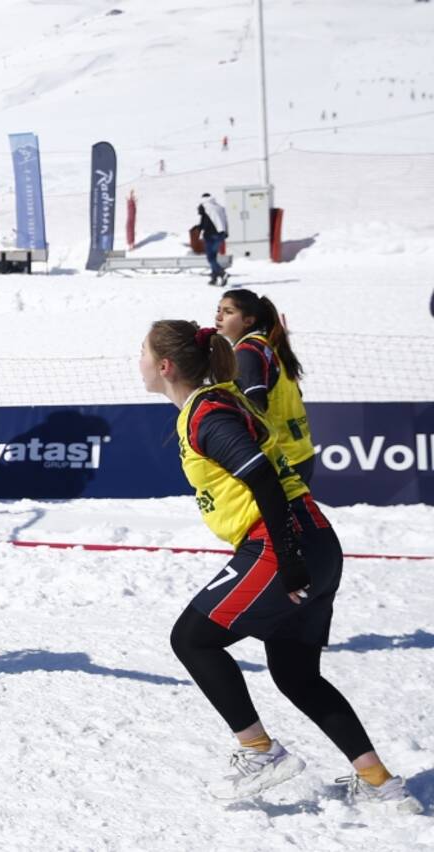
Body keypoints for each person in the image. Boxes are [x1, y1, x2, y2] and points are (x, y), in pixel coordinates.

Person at [139, 319, 422, 811]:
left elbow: (264, 480)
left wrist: (288, 560)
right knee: (296, 674)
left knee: (192, 639)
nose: (137, 362)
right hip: (313, 542)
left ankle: (259, 751)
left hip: (281, 544)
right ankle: (380, 783)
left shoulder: (208, 414)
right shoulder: (212, 404)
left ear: (164, 366)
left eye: (140, 353)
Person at [214, 289, 315, 483]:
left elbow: (256, 409)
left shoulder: (247, 353)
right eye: (218, 310)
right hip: (300, 453)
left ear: (248, 321)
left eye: (228, 312)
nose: (218, 316)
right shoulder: (269, 345)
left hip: (280, 460)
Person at [197, 193, 229, 286]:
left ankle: (222, 273)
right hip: (220, 235)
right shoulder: (219, 207)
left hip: (210, 235)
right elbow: (225, 220)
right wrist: (226, 233)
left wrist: (199, 229)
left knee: (210, 258)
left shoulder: (204, 206)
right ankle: (214, 278)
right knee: (213, 257)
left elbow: (204, 221)